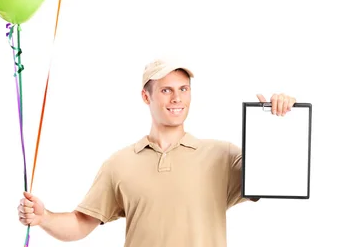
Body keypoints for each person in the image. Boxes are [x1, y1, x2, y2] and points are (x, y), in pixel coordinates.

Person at [18, 58, 296, 246]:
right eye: (166, 90)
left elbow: (274, 176)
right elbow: (82, 222)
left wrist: (274, 121)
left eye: (183, 89)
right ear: (146, 96)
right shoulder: (120, 164)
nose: (177, 98)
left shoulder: (222, 156)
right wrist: (45, 218)